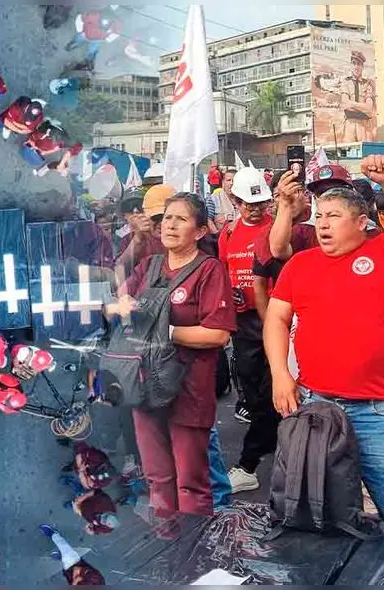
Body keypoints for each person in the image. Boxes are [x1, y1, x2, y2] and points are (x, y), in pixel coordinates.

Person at [265, 155, 384, 531]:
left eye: (334, 216)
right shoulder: (301, 264)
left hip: (378, 411)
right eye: (319, 216)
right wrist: (279, 374)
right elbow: (276, 317)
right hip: (316, 405)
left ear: (361, 222)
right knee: (319, 504)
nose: (323, 224)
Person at [108, 192, 236, 519]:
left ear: (199, 231)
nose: (170, 224)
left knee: (191, 483)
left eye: (181, 218)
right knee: (158, 479)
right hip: (144, 388)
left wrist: (165, 334)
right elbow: (115, 302)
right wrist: (120, 309)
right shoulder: (150, 266)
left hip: (188, 390)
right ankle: (167, 551)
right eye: (167, 217)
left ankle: (195, 558)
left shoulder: (209, 270)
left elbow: (217, 334)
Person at [218, 167, 281, 495]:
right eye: (248, 203)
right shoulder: (227, 234)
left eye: (261, 202)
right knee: (255, 394)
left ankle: (250, 462)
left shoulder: (280, 231)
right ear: (236, 201)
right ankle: (268, 452)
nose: (255, 209)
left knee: (282, 390)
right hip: (244, 325)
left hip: (279, 320)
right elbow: (222, 272)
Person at [113, 186, 168, 287]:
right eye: (128, 207)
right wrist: (138, 239)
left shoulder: (175, 236)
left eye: (139, 206)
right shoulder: (128, 239)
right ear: (123, 214)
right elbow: (119, 274)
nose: (135, 211)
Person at [38, 525, 105, 585]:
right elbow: (77, 569)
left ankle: (62, 558)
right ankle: (53, 534)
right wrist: (75, 581)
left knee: (66, 570)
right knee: (65, 549)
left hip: (72, 576)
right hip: (76, 563)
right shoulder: (97, 581)